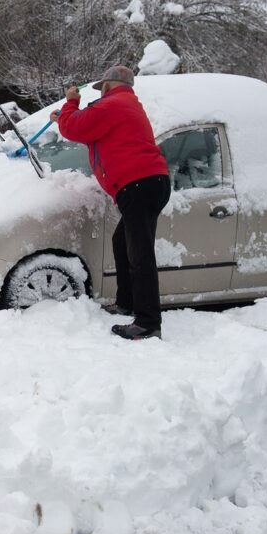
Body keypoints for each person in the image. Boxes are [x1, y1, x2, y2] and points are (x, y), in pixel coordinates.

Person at [50, 66, 171, 340]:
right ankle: (127, 302)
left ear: (108, 85)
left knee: (140, 255)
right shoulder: (123, 105)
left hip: (140, 184)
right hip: (146, 183)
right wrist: (64, 117)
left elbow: (76, 128)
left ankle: (148, 323)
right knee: (123, 244)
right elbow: (88, 130)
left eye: (101, 87)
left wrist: (71, 103)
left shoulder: (114, 105)